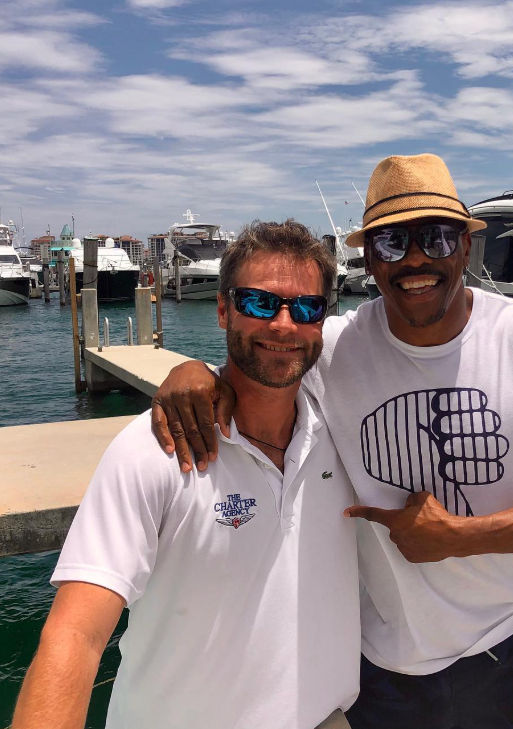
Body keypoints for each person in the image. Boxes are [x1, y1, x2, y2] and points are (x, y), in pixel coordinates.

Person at [150, 154, 513, 729]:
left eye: (436, 238)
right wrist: (194, 373)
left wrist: (461, 538)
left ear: (466, 247)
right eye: (392, 244)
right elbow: (267, 350)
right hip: (385, 665)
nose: (417, 260)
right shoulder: (334, 347)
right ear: (369, 260)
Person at [12, 221, 360, 729]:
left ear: (321, 323)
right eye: (260, 303)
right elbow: (76, 637)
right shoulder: (154, 450)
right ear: (223, 310)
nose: (284, 324)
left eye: (306, 308)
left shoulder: (341, 431)